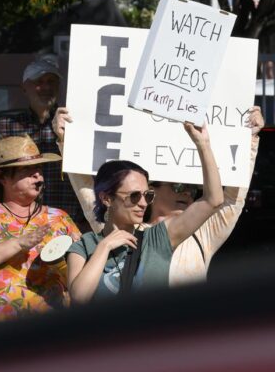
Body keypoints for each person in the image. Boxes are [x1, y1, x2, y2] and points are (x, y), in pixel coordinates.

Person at [53, 106, 262, 286]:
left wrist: (249, 141)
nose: (188, 192)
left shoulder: (203, 234)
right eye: (179, 186)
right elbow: (88, 192)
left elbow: (230, 200)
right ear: (153, 189)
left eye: (193, 189)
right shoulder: (120, 227)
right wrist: (67, 140)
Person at [65, 122, 224, 303]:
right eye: (134, 196)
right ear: (107, 198)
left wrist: (203, 145)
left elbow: (213, 200)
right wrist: (104, 246)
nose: (143, 203)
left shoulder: (159, 238)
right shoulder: (84, 245)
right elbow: (79, 298)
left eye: (148, 196)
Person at [0, 135, 80, 323]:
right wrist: (18, 244)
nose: (37, 175)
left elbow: (82, 278)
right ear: (2, 177)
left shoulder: (60, 218)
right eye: (27, 170)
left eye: (39, 168)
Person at [0, 54, 85, 230]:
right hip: (16, 224)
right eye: (39, 82)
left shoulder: (74, 124)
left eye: (51, 81)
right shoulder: (7, 126)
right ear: (24, 87)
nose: (46, 87)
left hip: (69, 222)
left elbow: (89, 173)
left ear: (59, 86)